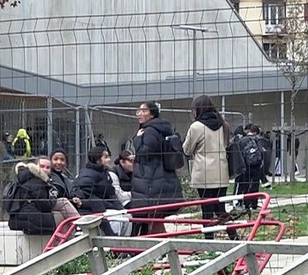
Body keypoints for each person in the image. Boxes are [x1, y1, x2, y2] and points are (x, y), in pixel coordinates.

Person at [184, 95, 237, 237]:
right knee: (220, 208)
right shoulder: (223, 124)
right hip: (221, 171)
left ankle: (209, 240)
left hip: (204, 173)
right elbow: (226, 145)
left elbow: (187, 149)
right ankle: (234, 236)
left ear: (197, 110)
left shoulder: (196, 127)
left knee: (206, 209)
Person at [131, 101, 184, 234]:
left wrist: (136, 140)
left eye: (144, 111)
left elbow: (145, 153)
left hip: (150, 179)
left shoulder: (149, 131)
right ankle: (162, 248)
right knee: (156, 217)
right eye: (139, 111)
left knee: (152, 216)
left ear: (152, 114)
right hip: (161, 176)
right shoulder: (162, 128)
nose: (139, 114)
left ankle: (159, 248)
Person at [8, 156, 77, 235]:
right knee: (62, 213)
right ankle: (80, 227)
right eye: (42, 166)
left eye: (48, 168)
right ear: (35, 167)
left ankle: (65, 241)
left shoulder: (28, 178)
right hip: (31, 221)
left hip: (23, 219)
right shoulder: (36, 182)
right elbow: (45, 206)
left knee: (62, 206)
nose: (45, 170)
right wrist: (53, 197)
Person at [73, 147, 125, 234]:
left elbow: (111, 194)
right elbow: (87, 197)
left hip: (103, 207)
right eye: (106, 157)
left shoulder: (104, 173)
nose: (109, 159)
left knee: (125, 216)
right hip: (93, 209)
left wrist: (120, 208)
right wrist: (114, 207)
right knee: (117, 217)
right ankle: (113, 240)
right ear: (98, 160)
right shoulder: (88, 175)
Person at [232, 123, 272, 210]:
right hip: (256, 166)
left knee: (244, 185)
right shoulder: (258, 139)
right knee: (254, 185)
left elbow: (239, 153)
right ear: (257, 132)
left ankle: (243, 204)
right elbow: (262, 152)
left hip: (245, 166)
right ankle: (254, 204)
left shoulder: (242, 140)